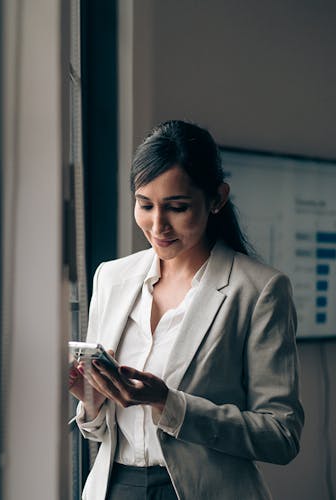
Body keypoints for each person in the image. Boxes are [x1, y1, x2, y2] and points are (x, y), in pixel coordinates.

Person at [68, 120, 304, 499]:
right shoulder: (111, 279)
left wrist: (169, 404)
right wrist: (92, 399)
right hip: (116, 487)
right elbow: (101, 431)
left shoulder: (260, 290)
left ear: (217, 198)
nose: (158, 225)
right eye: (145, 205)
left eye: (177, 207)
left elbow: (281, 436)